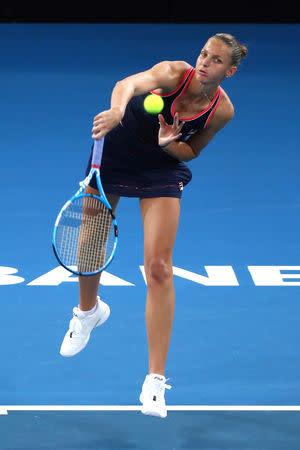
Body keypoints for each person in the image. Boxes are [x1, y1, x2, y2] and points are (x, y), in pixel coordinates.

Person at [59, 33, 247, 418]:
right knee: (89, 249)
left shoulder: (222, 111)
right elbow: (127, 84)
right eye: (203, 54)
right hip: (116, 155)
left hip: (160, 167)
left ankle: (155, 382)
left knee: (160, 268)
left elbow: (191, 151)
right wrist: (116, 111)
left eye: (215, 60)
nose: (204, 63)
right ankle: (87, 313)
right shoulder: (173, 72)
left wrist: (167, 144)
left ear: (230, 71)